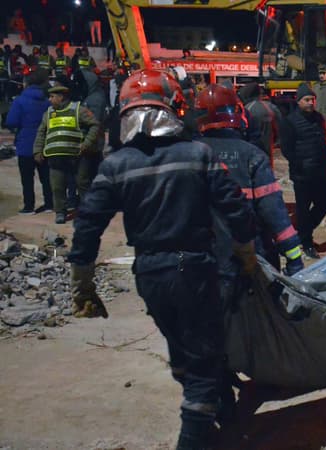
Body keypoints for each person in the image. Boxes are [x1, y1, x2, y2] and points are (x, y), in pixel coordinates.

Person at [66, 69, 257, 449]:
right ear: (173, 108)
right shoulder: (197, 155)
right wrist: (246, 254)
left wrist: (82, 284)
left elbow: (87, 226)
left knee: (184, 350)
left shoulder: (116, 165)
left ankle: (220, 409)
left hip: (149, 273)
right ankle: (195, 435)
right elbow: (236, 210)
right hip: (195, 269)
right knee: (202, 361)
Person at [195, 83, 304, 277]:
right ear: (237, 113)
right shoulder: (252, 155)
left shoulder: (187, 155)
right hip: (250, 257)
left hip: (202, 259)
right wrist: (293, 256)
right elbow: (273, 211)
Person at [32, 84, 101, 224]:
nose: (50, 100)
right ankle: (60, 212)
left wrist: (87, 143)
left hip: (78, 156)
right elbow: (41, 133)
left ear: (61, 97)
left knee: (82, 183)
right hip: (55, 157)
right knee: (57, 186)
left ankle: (89, 211)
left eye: (52, 97)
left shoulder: (78, 110)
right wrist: (37, 151)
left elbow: (95, 125)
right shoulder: (48, 113)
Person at [279, 83, 326, 259]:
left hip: (320, 172)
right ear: (299, 101)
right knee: (303, 209)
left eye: (312, 99)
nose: (311, 102)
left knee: (324, 204)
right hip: (302, 174)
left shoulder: (318, 118)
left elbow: (324, 142)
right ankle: (306, 242)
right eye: (307, 99)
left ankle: (301, 232)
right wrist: (299, 164)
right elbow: (287, 148)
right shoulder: (290, 121)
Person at [5, 68, 53, 215]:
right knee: (46, 177)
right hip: (44, 143)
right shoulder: (47, 102)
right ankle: (49, 204)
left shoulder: (20, 101)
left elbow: (11, 121)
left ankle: (29, 206)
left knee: (27, 178)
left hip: (25, 143)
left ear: (27, 84)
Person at [238, 81, 282, 168]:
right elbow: (280, 128)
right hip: (267, 152)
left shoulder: (246, 110)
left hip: (250, 153)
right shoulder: (271, 107)